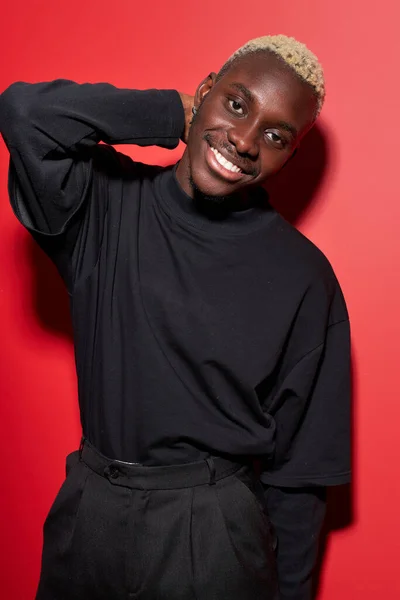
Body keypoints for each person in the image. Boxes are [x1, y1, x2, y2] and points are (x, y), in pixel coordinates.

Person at [0, 34, 351, 600]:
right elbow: (25, 114)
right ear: (205, 91)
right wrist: (169, 114)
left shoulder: (304, 277)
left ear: (290, 154)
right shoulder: (105, 203)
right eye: (237, 104)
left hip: (212, 534)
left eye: (275, 136)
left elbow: (302, 473)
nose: (243, 140)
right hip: (89, 513)